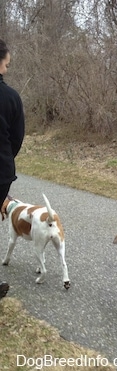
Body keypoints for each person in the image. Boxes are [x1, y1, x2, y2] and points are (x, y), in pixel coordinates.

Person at [0, 39, 25, 299]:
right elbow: (17, 138)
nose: (7, 68)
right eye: (6, 63)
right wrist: (6, 158)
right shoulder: (11, 97)